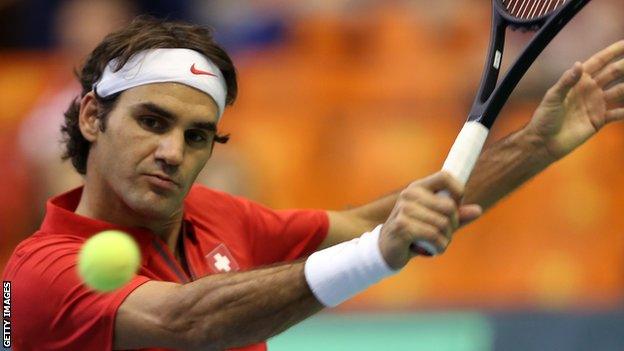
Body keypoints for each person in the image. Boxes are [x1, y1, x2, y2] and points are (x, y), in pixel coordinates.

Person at [2, 16, 623, 351]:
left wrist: (536, 145)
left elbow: (380, 220)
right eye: (151, 122)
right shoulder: (36, 274)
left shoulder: (222, 217)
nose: (171, 152)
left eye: (197, 136)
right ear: (91, 115)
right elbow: (185, 323)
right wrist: (375, 256)